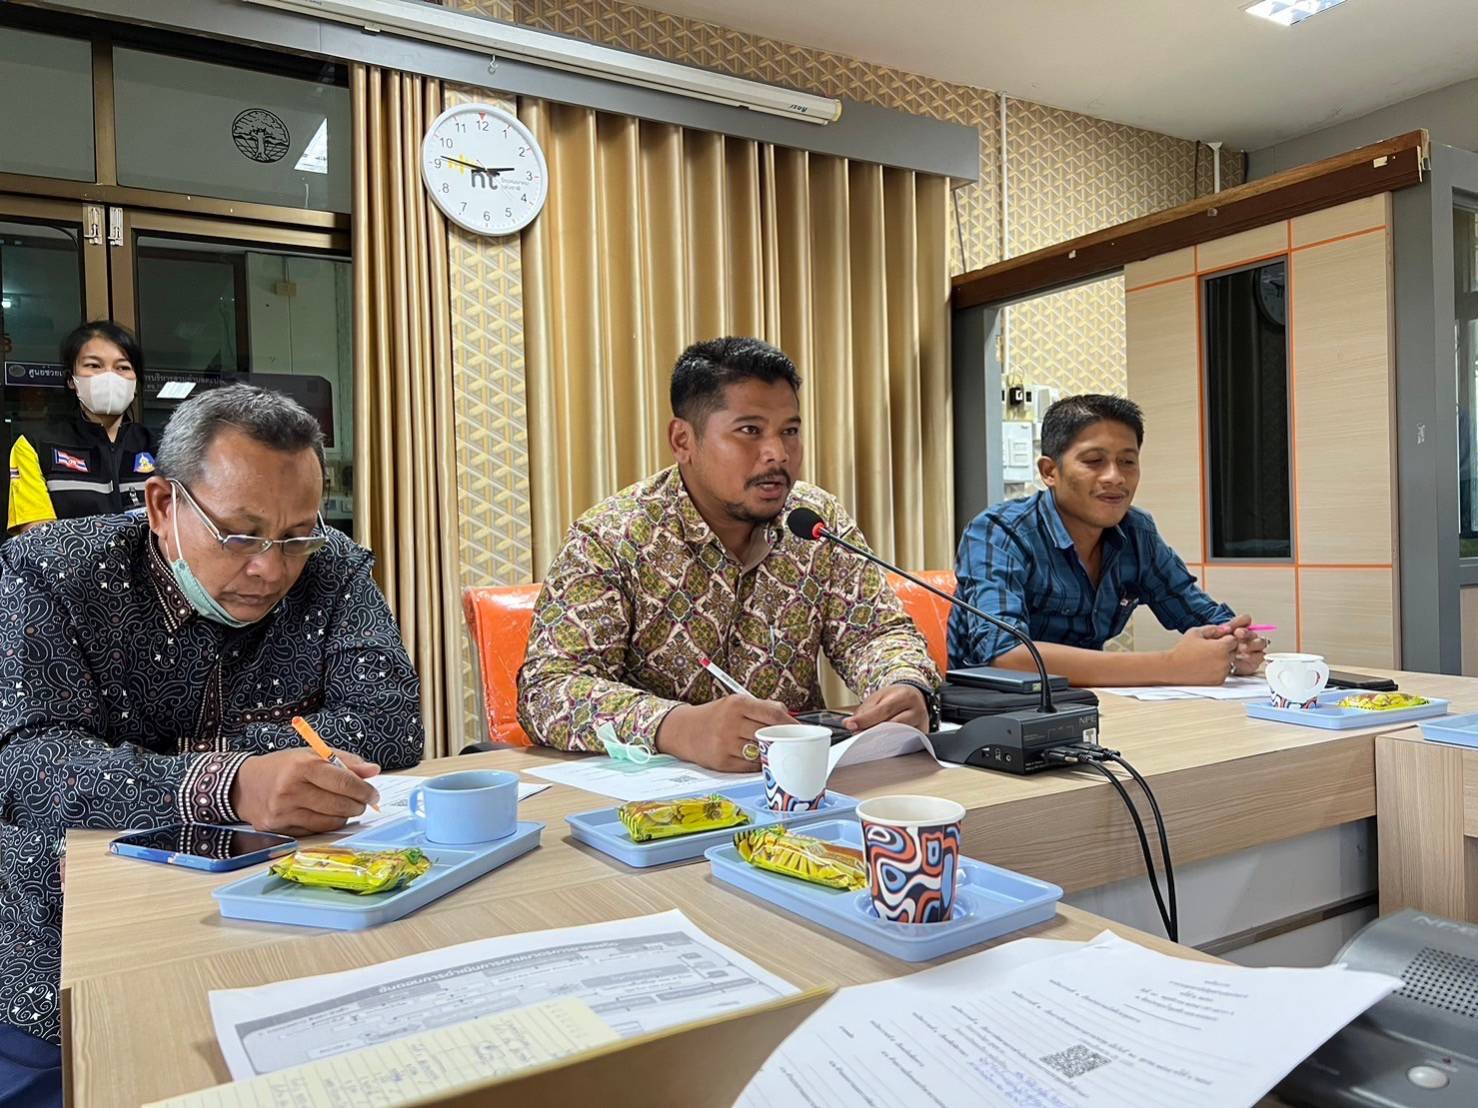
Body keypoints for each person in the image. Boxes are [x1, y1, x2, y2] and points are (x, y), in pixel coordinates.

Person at [0, 385, 423, 1105]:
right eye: (239, 535)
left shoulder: (332, 566)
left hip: (292, 919)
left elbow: (391, 726)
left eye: (296, 535)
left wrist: (162, 762)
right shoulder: (53, 571)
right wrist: (231, 781)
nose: (271, 569)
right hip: (71, 945)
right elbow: (29, 764)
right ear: (163, 505)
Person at [518, 336, 940, 771]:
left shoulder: (815, 521)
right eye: (750, 431)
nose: (778, 454)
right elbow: (546, 690)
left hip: (798, 787)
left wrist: (903, 684)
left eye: (790, 431)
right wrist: (675, 727)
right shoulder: (611, 537)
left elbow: (875, 634)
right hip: (656, 795)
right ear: (683, 440)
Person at [949, 393, 1266, 687]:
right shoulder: (999, 531)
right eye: (1093, 460)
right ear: (1049, 472)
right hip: (993, 709)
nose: (1115, 477)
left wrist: (1236, 645)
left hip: (1093, 703)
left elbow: (1203, 615)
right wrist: (1171, 665)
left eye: (1127, 461)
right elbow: (1004, 654)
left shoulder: (1137, 532)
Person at [8, 320, 158, 534]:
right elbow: (39, 540)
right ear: (71, 379)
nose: (109, 376)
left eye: (123, 367)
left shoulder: (161, 447)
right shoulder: (35, 447)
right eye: (94, 365)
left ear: (135, 381)